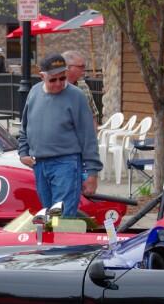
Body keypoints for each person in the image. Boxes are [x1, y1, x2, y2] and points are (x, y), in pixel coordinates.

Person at [18, 53, 102, 216]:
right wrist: (23, 152)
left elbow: (88, 137)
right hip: (40, 163)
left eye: (62, 78)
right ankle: (56, 239)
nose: (58, 83)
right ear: (42, 76)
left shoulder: (76, 96)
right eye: (53, 80)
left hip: (66, 163)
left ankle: (61, 240)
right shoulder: (34, 92)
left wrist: (92, 173)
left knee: (61, 215)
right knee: (49, 214)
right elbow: (26, 126)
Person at [62, 50, 99, 130]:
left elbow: (93, 115)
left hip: (82, 138)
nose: (84, 70)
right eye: (81, 66)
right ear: (67, 67)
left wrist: (94, 138)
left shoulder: (84, 86)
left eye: (84, 66)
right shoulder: (56, 88)